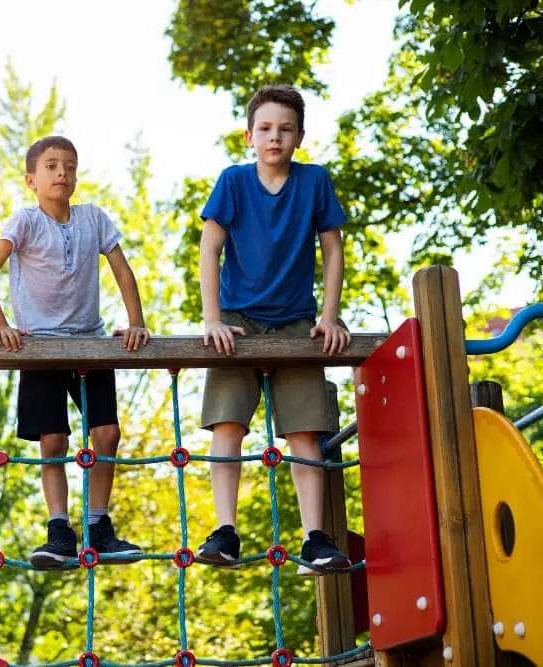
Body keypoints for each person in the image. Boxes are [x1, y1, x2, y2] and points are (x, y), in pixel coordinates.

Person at [195, 84, 353, 575]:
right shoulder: (234, 182)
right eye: (265, 128)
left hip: (295, 322)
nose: (275, 137)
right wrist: (213, 318)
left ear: (300, 137)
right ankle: (226, 531)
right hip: (238, 322)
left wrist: (328, 316)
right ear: (249, 136)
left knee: (306, 432)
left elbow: (332, 251)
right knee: (228, 424)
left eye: (285, 129)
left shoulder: (313, 182)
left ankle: (314, 538)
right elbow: (209, 249)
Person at [0, 135, 150, 570]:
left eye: (70, 166)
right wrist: (1, 327)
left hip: (89, 342)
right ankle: (58, 530)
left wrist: (137, 322)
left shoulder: (93, 219)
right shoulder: (25, 222)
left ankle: (98, 526)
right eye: (52, 166)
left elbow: (123, 272)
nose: (62, 174)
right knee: (54, 439)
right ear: (31, 179)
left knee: (106, 433)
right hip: (40, 346)